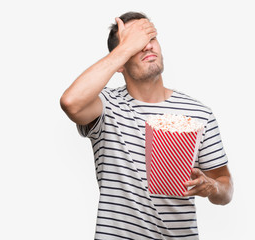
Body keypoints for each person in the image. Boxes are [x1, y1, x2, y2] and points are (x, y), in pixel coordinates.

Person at [60, 11, 233, 240]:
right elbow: (70, 103)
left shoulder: (199, 113)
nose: (147, 46)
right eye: (136, 42)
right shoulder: (106, 106)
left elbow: (226, 187)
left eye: (151, 38)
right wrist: (124, 49)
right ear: (120, 60)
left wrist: (211, 186)